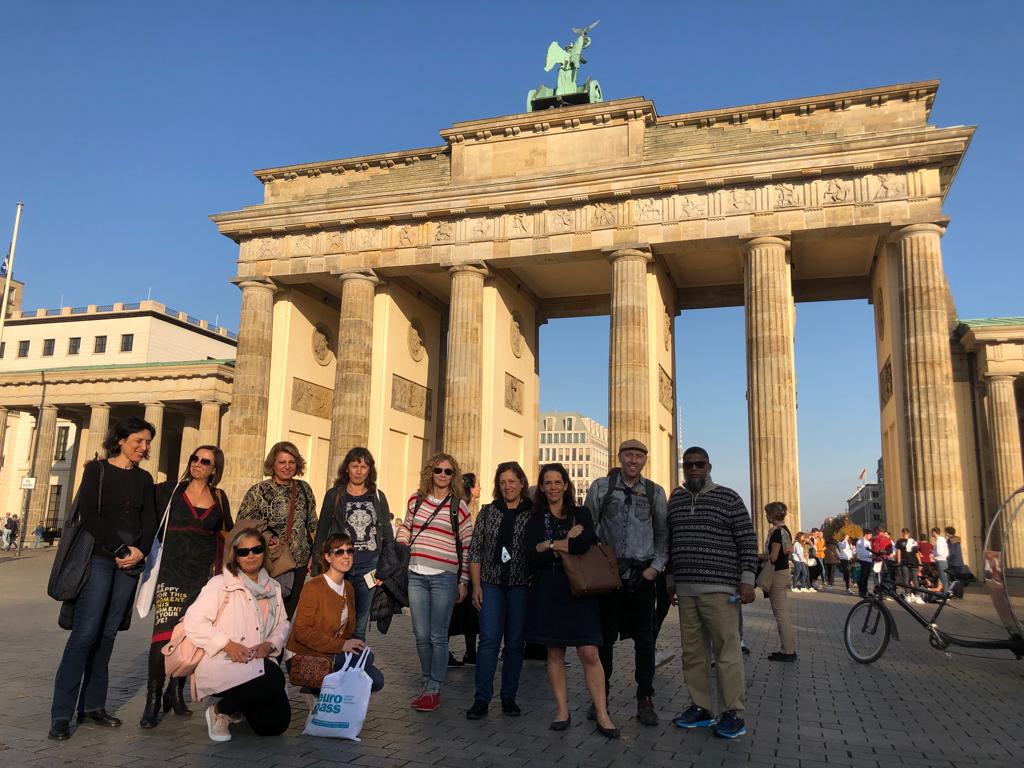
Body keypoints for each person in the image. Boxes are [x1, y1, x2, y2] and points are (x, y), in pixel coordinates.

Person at [49, 417, 158, 741]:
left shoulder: (144, 478)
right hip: (98, 558)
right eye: (139, 441)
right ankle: (62, 714)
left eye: (148, 442)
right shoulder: (96, 470)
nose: (144, 447)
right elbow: (90, 516)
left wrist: (139, 551)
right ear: (121, 440)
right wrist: (119, 548)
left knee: (108, 633)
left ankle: (93, 705)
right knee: (85, 633)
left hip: (129, 564)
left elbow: (150, 520)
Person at [667, 446, 758, 740]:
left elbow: (747, 540)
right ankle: (702, 708)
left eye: (699, 464)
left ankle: (733, 713)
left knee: (726, 652)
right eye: (688, 465)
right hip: (686, 590)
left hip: (720, 590)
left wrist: (747, 580)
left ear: (709, 466)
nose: (694, 469)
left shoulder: (729, 498)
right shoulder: (676, 500)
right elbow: (671, 542)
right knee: (693, 653)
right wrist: (670, 581)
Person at [140, 445, 233, 729]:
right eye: (195, 458)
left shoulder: (219, 498)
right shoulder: (168, 491)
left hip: (202, 579)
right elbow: (139, 502)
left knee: (191, 637)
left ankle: (176, 691)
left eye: (205, 461)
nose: (197, 464)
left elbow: (228, 534)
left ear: (214, 470)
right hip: (171, 574)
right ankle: (152, 700)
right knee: (161, 639)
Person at [525, 463, 618, 739]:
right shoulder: (535, 518)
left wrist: (550, 544)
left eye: (558, 482)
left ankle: (602, 713)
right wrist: (565, 540)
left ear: (566, 484)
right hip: (549, 590)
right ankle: (562, 710)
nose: (553, 487)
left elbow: (582, 544)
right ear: (542, 488)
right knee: (555, 653)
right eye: (548, 483)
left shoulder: (582, 513)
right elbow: (532, 557)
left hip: (580, 589)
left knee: (589, 652)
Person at [583, 438, 668, 727]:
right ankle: (601, 696)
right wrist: (597, 565)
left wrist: (655, 568)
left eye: (638, 456)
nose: (633, 460)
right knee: (604, 639)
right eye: (628, 455)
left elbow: (663, 535)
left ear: (645, 460)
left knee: (645, 640)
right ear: (619, 457)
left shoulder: (655, 492)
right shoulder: (601, 487)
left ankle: (645, 697)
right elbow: (588, 528)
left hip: (642, 576)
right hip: (609, 576)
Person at [183, 527, 291, 742]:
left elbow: (283, 622)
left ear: (264, 552)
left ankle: (240, 706)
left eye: (256, 550)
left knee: (274, 726)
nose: (251, 556)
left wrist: (270, 644)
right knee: (274, 677)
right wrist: (227, 644)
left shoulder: (273, 587)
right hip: (226, 659)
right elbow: (194, 621)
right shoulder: (220, 584)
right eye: (244, 552)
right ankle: (220, 711)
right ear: (235, 555)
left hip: (258, 661)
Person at [398, 452, 473, 712]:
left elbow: (467, 545)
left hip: (444, 577)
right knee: (421, 635)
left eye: (448, 471)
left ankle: (433, 688)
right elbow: (407, 527)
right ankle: (427, 680)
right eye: (438, 470)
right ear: (430, 472)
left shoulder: (459, 506)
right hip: (416, 574)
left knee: (437, 635)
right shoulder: (416, 499)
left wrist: (464, 581)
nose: (442, 475)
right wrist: (400, 543)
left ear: (454, 476)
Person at [464, 462, 533, 719]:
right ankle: (481, 699)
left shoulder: (532, 513)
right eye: (502, 482)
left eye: (512, 481)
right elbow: (476, 551)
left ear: (522, 483)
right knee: (489, 641)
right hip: (491, 584)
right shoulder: (488, 512)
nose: (507, 487)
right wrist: (476, 586)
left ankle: (509, 697)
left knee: (515, 643)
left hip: (520, 585)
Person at [287, 533, 384, 702]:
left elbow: (347, 630)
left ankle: (328, 696)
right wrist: (342, 645)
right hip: (306, 655)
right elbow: (301, 632)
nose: (346, 556)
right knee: (363, 665)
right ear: (328, 557)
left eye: (350, 551)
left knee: (376, 680)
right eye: (339, 552)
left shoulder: (349, 587)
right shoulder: (313, 587)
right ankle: (322, 693)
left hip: (332, 652)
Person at [311, 447, 393, 641]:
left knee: (360, 623)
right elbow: (322, 530)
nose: (358, 471)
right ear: (347, 468)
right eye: (355, 466)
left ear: (369, 470)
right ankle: (335, 656)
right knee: (336, 619)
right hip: (340, 564)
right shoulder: (334, 495)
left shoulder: (378, 496)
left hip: (369, 566)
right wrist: (316, 564)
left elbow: (387, 534)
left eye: (363, 467)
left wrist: (385, 569)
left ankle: (355, 659)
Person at [237, 441, 317, 619]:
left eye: (292, 462)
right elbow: (243, 526)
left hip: (298, 564)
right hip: (268, 562)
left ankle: (279, 639)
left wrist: (314, 555)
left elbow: (312, 524)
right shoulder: (259, 491)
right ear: (272, 464)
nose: (287, 467)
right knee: (263, 615)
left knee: (285, 617)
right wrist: (266, 539)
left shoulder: (304, 489)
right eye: (282, 462)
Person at [449, 472, 481, 667]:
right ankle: (447, 652)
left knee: (469, 611)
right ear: (471, 487)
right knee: (453, 611)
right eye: (478, 485)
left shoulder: (469, 507)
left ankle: (471, 652)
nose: (480, 488)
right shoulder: (461, 508)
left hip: (467, 565)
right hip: (459, 565)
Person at [762, 502, 796, 661]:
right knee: (783, 613)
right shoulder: (785, 530)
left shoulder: (776, 533)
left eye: (767, 513)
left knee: (781, 614)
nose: (766, 516)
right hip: (783, 572)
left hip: (777, 574)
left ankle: (788, 651)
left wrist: (761, 557)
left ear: (773, 515)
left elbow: (774, 557)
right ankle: (787, 648)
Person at [895, 529, 922, 604]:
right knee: (915, 579)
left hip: (904, 561)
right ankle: (918, 596)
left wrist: (898, 561)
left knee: (906, 578)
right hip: (914, 561)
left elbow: (899, 551)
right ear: (909, 533)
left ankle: (908, 595)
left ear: (902, 533)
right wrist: (920, 562)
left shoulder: (899, 541)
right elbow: (916, 552)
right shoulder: (913, 541)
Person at [856, 530, 874, 598]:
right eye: (870, 535)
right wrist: (869, 555)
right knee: (862, 577)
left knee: (866, 577)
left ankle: (866, 591)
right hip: (863, 561)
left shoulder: (868, 542)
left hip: (868, 561)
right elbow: (860, 553)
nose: (871, 536)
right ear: (866, 534)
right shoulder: (860, 542)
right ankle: (862, 592)